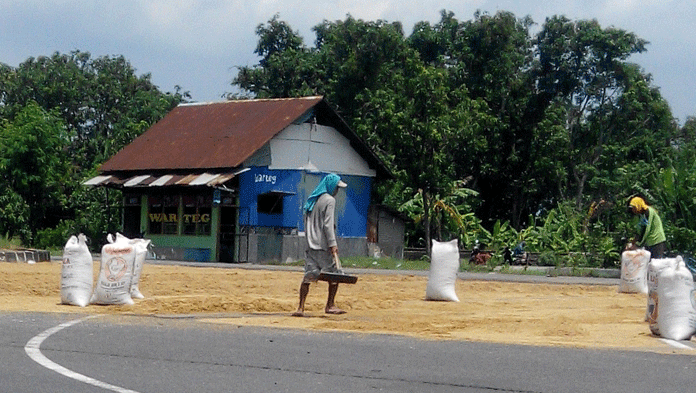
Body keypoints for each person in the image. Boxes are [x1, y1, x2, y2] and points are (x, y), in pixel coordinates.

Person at [292, 173, 348, 317]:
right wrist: (332, 244)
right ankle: (330, 305)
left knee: (308, 277)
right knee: (334, 275)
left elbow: (308, 223)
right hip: (323, 246)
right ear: (331, 187)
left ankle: (300, 307)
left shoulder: (312, 200)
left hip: (311, 245)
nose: (337, 191)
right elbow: (327, 225)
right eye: (336, 188)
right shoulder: (329, 200)